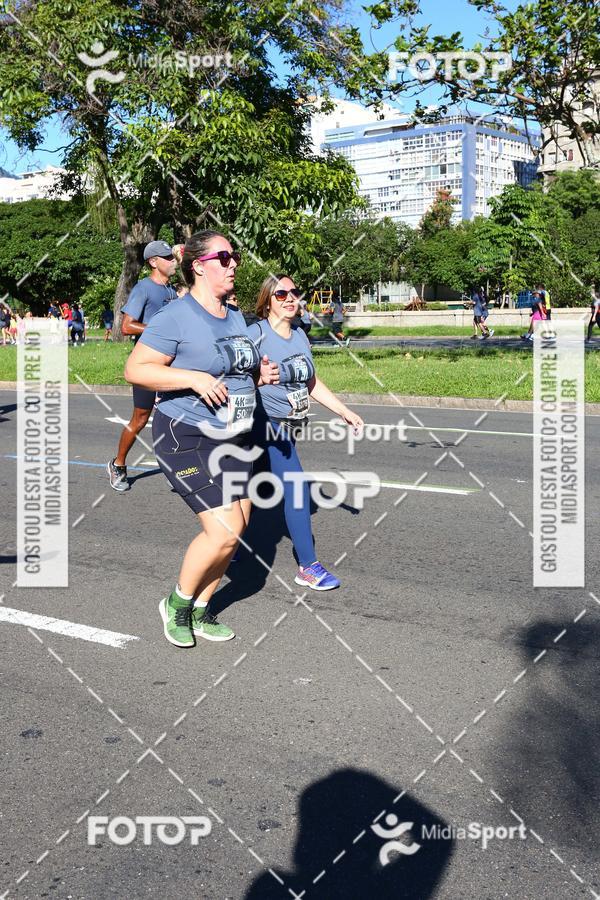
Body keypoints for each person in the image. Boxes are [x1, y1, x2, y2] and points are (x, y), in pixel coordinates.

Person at [124, 230, 279, 648]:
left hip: (235, 435)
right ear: (198, 266)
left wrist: (258, 375)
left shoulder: (235, 316)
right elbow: (136, 369)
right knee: (223, 530)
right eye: (224, 257)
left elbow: (233, 370)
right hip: (186, 434)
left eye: (234, 256)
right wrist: (192, 378)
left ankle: (200, 609)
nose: (233, 264)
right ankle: (175, 605)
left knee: (237, 529)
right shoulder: (175, 316)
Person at [248, 273, 364, 591]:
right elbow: (232, 378)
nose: (289, 298)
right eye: (280, 294)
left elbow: (309, 381)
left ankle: (229, 546)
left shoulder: (299, 334)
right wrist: (258, 379)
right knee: (297, 489)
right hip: (263, 423)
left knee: (251, 491)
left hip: (290, 424)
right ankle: (308, 567)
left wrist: (343, 411)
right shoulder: (255, 334)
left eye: (293, 292)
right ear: (267, 302)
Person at [107, 240, 178, 492]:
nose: (173, 261)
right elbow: (127, 326)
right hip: (146, 365)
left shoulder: (172, 291)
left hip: (170, 365)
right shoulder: (143, 288)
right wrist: (157, 331)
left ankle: (175, 467)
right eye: (168, 258)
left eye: (173, 257)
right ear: (153, 262)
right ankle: (118, 464)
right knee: (140, 418)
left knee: (176, 417)